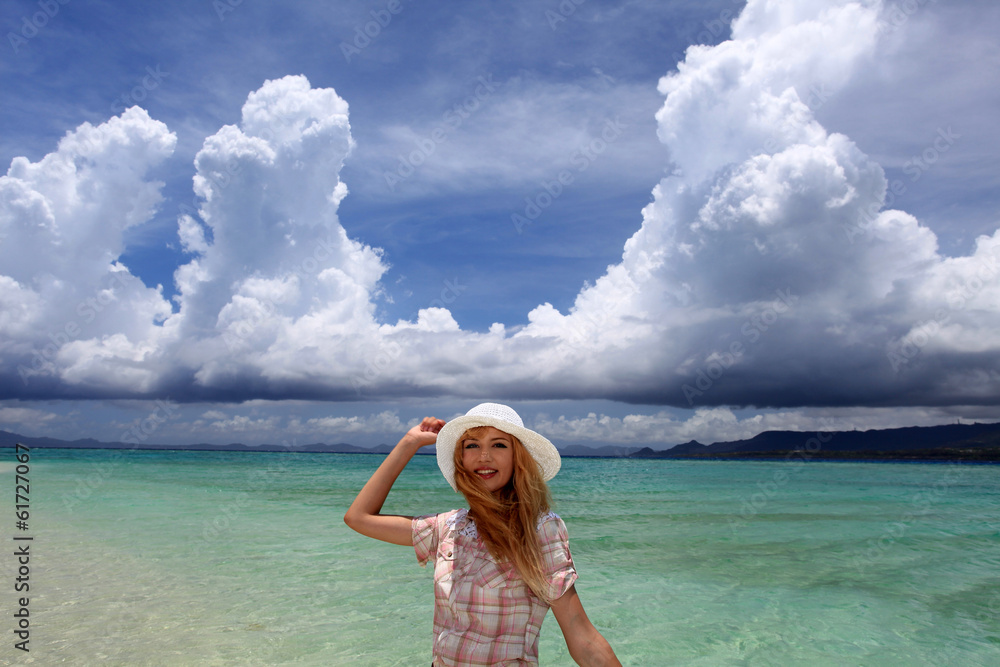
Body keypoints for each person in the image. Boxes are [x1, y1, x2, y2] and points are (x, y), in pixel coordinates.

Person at [344, 402, 621, 667]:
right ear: (461, 458)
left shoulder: (538, 529)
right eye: (472, 445)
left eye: (499, 445)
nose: (484, 456)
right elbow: (358, 518)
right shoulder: (449, 527)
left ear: (517, 457)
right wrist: (410, 442)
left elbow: (581, 635)